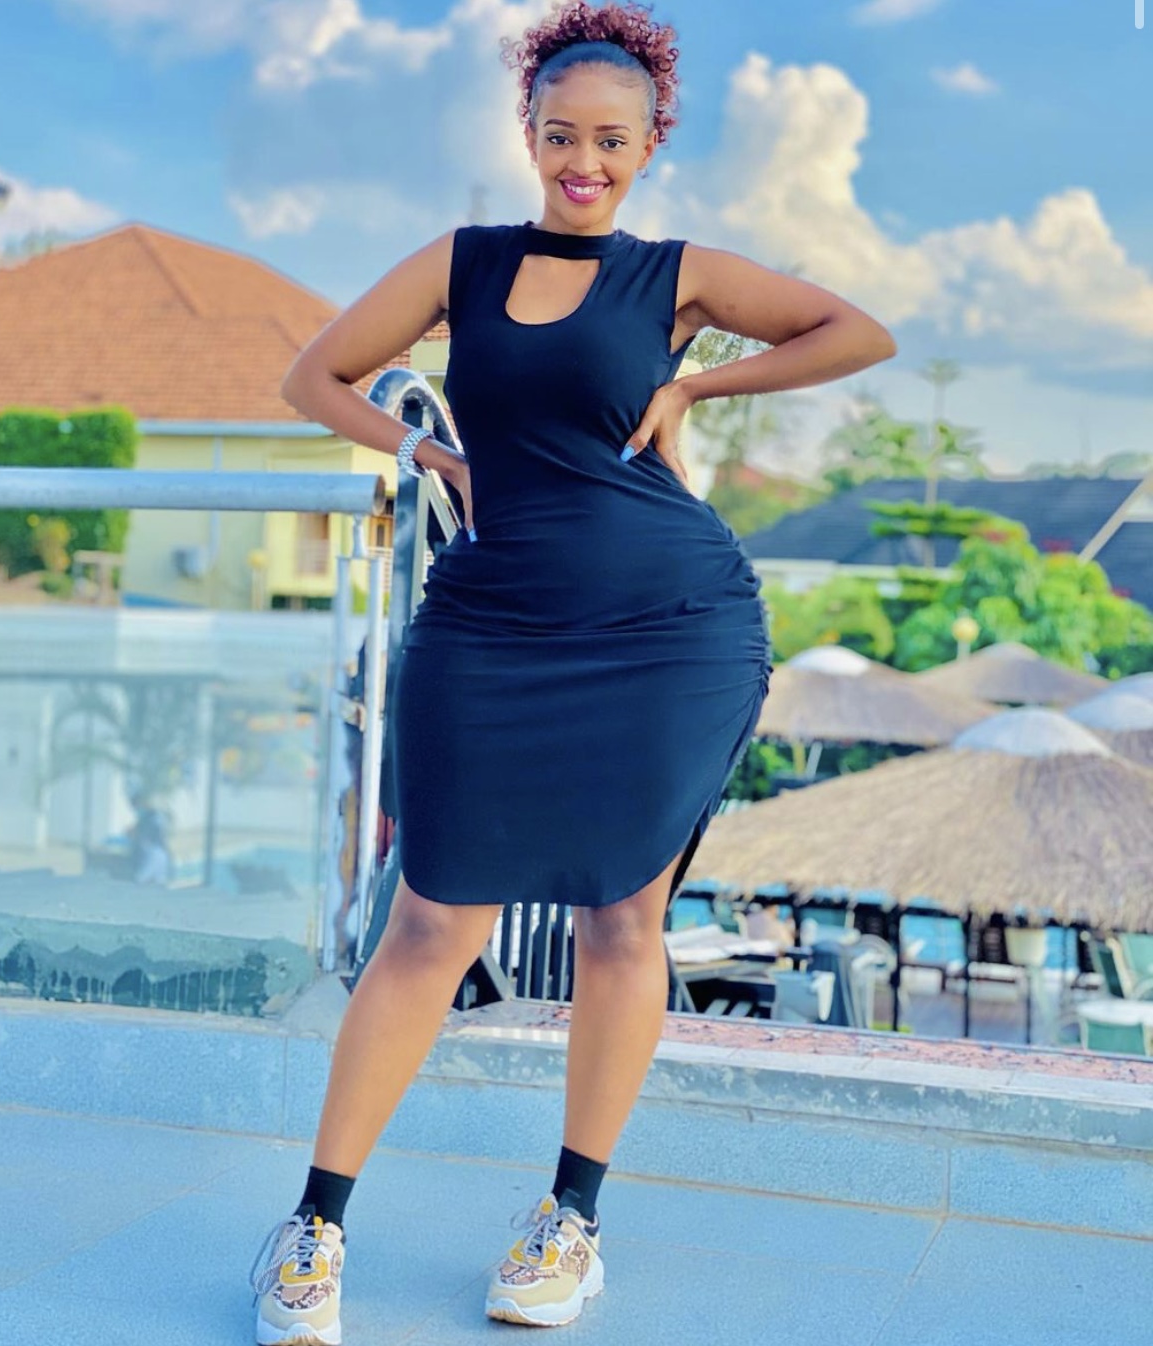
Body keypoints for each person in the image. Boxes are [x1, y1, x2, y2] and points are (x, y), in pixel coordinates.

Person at [249, 3, 896, 1341]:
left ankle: (570, 1221)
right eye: (559, 136)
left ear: (650, 142)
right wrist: (433, 454)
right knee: (430, 920)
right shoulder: (464, 262)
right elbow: (317, 377)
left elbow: (856, 332)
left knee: (622, 919)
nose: (582, 162)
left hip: (671, 626)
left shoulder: (674, 277)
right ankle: (313, 1225)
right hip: (489, 622)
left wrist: (696, 390)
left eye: (609, 139)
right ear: (528, 133)